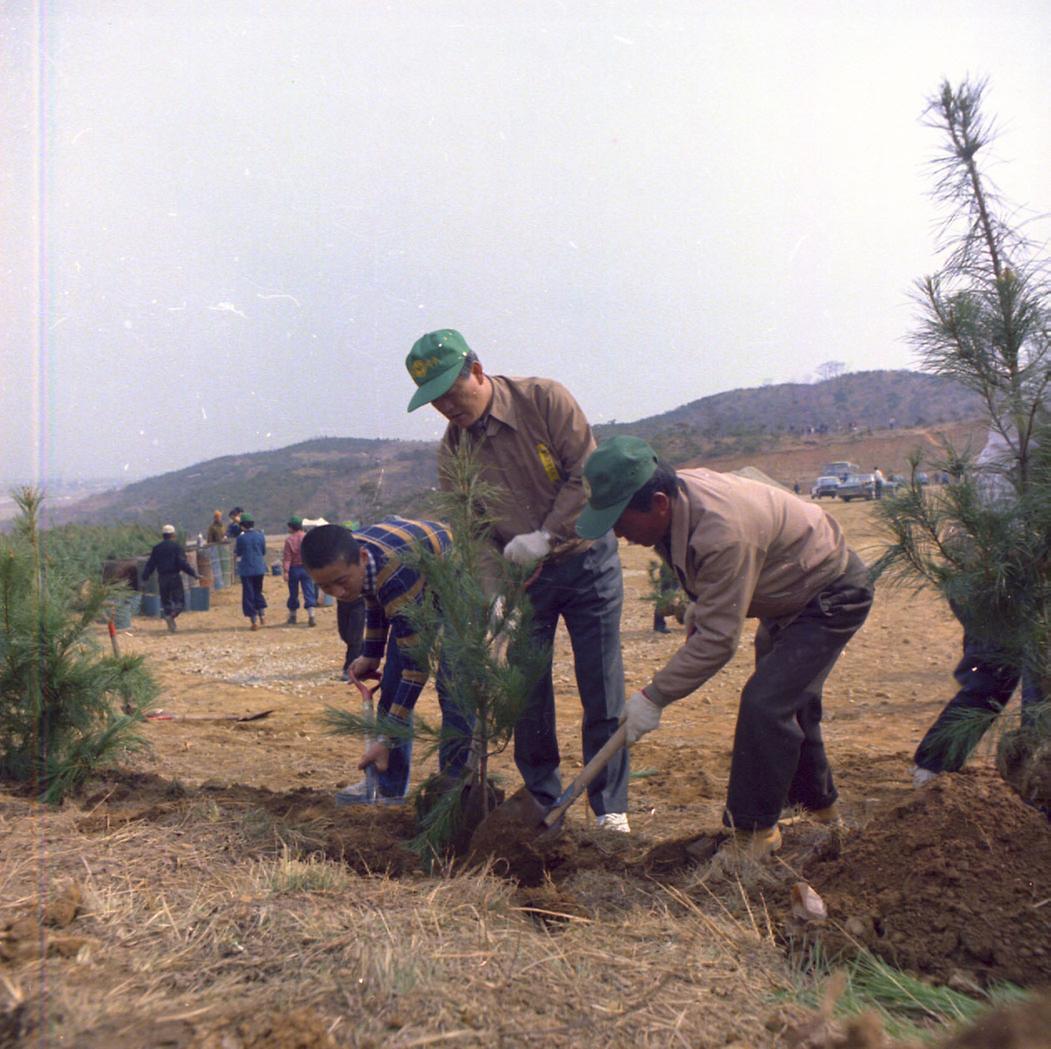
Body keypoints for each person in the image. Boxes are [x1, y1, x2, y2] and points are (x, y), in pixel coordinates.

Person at [577, 436, 874, 857]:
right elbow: (705, 575)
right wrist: (702, 603)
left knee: (765, 703)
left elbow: (719, 641)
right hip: (787, 594)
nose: (619, 535)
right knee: (790, 704)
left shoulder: (723, 530)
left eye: (620, 522)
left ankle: (754, 836)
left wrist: (653, 697)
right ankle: (822, 814)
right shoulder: (676, 504)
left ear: (659, 502)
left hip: (829, 593)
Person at [404, 329, 630, 831]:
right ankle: (545, 801)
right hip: (525, 581)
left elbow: (587, 476)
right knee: (527, 690)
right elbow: (473, 532)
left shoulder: (543, 400)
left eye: (450, 392)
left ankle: (610, 809)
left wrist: (547, 536)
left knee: (601, 685)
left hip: (585, 559)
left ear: (478, 372)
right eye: (435, 401)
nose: (446, 408)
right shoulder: (454, 451)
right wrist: (494, 597)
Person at [301, 520, 470, 805]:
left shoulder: (396, 575)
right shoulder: (351, 558)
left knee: (453, 686)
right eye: (324, 586)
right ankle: (389, 788)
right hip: (414, 577)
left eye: (341, 582)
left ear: (363, 558)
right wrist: (371, 652)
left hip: (461, 580)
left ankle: (455, 792)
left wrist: (387, 739)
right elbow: (372, 595)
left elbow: (416, 669)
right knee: (390, 685)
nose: (338, 593)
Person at [911, 426, 1043, 787]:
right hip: (1010, 568)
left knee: (991, 675)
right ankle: (1036, 783)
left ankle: (932, 768)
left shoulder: (1014, 423)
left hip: (979, 563)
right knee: (1036, 681)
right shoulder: (1030, 432)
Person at [141, 524, 199, 633]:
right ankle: (172, 615)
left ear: (163, 535)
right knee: (180, 601)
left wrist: (145, 578)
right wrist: (193, 574)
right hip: (174, 577)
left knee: (166, 601)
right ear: (173, 535)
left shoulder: (157, 548)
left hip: (162, 578)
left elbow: (150, 565)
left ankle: (170, 623)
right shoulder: (177, 547)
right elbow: (182, 563)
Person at [282, 515, 317, 626]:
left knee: (293, 593)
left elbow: (287, 557)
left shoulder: (289, 540)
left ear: (292, 527)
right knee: (309, 591)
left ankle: (293, 617)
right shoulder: (307, 537)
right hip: (306, 568)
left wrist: (286, 571)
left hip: (294, 569)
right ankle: (311, 616)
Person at [234, 513, 267, 630]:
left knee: (249, 594)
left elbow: (238, 553)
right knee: (258, 591)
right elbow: (263, 551)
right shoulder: (260, 536)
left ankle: (254, 620)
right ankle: (262, 615)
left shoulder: (241, 538)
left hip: (246, 570)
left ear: (242, 525)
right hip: (259, 568)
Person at [337, 596, 367, 682]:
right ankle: (364, 648)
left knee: (354, 637)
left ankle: (349, 668)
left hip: (359, 601)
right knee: (344, 634)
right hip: (342, 601)